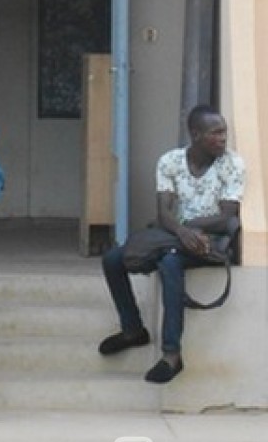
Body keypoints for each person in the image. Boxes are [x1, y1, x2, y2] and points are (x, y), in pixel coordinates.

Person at [98, 105, 244, 384]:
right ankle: (132, 330)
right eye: (216, 133)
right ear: (196, 134)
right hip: (175, 234)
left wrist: (187, 228)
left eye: (224, 132)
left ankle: (171, 354)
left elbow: (226, 216)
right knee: (113, 259)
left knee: (170, 261)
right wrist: (181, 231)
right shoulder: (170, 161)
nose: (223, 138)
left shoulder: (232, 164)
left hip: (210, 240)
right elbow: (163, 212)